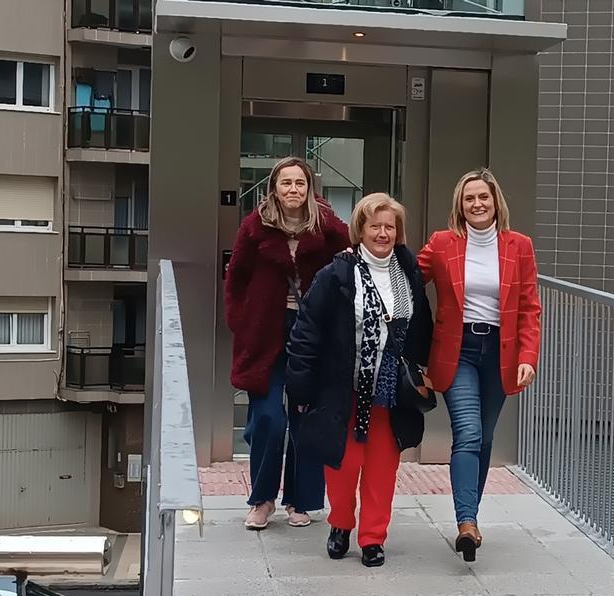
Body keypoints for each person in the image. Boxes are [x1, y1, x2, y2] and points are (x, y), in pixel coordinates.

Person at [286, 193, 433, 567]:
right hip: (343, 387)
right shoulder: (337, 274)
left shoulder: (409, 273)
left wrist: (422, 370)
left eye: (389, 226)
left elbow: (422, 329)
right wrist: (301, 385)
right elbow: (306, 332)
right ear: (360, 230)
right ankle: (340, 523)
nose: (382, 233)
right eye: (375, 226)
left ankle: (372, 538)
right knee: (343, 464)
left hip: (390, 392)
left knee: (383, 469)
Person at [418, 168, 542, 562]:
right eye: (469, 198)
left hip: (501, 353)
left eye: (483, 197)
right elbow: (404, 276)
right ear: (460, 204)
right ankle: (466, 524)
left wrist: (527, 356)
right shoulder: (442, 243)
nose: (477, 204)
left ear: (495, 201)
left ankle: (470, 513)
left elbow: (529, 309)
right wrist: (361, 258)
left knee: (485, 438)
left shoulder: (519, 246)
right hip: (459, 351)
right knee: (468, 433)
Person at [224, 157, 351, 530]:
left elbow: (349, 268)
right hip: (265, 331)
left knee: (305, 416)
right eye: (286, 183)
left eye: (300, 183)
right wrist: (241, 322)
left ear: (310, 189)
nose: (293, 190)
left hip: (313, 333)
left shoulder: (328, 226)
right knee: (267, 418)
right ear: (273, 189)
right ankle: (262, 499)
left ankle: (302, 500)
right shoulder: (254, 226)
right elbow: (237, 278)